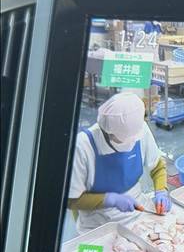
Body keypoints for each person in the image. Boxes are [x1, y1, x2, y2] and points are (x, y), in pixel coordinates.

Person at [68, 92, 171, 233]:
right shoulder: (83, 146)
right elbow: (71, 200)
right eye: (123, 138)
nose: (131, 142)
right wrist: (109, 199)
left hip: (139, 213)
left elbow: (157, 166)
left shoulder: (140, 129)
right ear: (108, 132)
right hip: (97, 226)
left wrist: (161, 191)